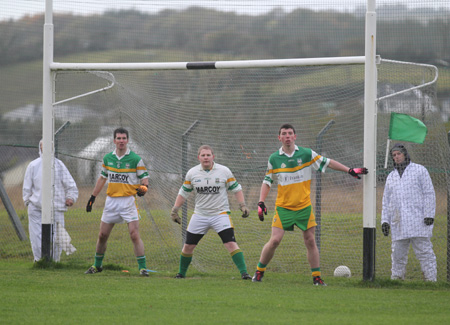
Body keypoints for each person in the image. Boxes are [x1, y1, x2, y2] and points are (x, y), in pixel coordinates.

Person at [252, 123, 368, 285]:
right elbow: (267, 181)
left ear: (295, 136)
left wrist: (349, 170)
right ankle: (259, 272)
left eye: (290, 133)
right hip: (283, 208)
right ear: (279, 138)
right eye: (284, 134)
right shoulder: (274, 158)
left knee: (310, 240)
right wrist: (261, 201)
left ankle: (317, 278)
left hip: (304, 207)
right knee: (275, 241)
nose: (287, 136)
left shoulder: (306, 154)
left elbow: (328, 163)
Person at [170, 145, 252, 279]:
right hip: (200, 215)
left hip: (220, 214)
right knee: (188, 246)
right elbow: (183, 192)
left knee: (230, 244)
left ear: (213, 157)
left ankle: (245, 274)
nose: (206, 157)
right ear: (199, 157)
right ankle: (181, 274)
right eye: (203, 155)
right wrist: (175, 210)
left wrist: (242, 205)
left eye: (208, 155)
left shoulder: (224, 171)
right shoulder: (192, 173)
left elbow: (236, 188)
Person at [85, 127, 150, 276]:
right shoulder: (108, 158)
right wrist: (92, 198)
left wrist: (143, 189)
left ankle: (143, 268)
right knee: (102, 235)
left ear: (127, 140)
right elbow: (102, 178)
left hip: (128, 201)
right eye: (118, 138)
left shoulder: (135, 159)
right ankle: (97, 265)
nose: (121, 141)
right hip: (111, 202)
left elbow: (145, 180)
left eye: (124, 138)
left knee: (134, 234)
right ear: (114, 140)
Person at [381, 143, 437, 281]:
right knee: (397, 254)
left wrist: (429, 214)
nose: (396, 157)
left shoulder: (420, 170)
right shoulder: (391, 177)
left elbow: (429, 193)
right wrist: (385, 221)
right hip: (398, 223)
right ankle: (396, 279)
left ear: (405, 154)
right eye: (393, 155)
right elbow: (386, 201)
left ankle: (431, 280)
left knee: (425, 252)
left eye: (398, 154)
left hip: (419, 221)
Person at [23, 140, 79, 262]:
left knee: (57, 237)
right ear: (40, 147)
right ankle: (39, 261)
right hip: (36, 209)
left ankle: (54, 262)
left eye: (50, 145)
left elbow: (70, 185)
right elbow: (26, 188)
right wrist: (28, 202)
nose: (47, 148)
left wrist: (71, 197)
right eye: (44, 145)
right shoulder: (33, 165)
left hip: (56, 208)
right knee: (37, 237)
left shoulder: (59, 165)